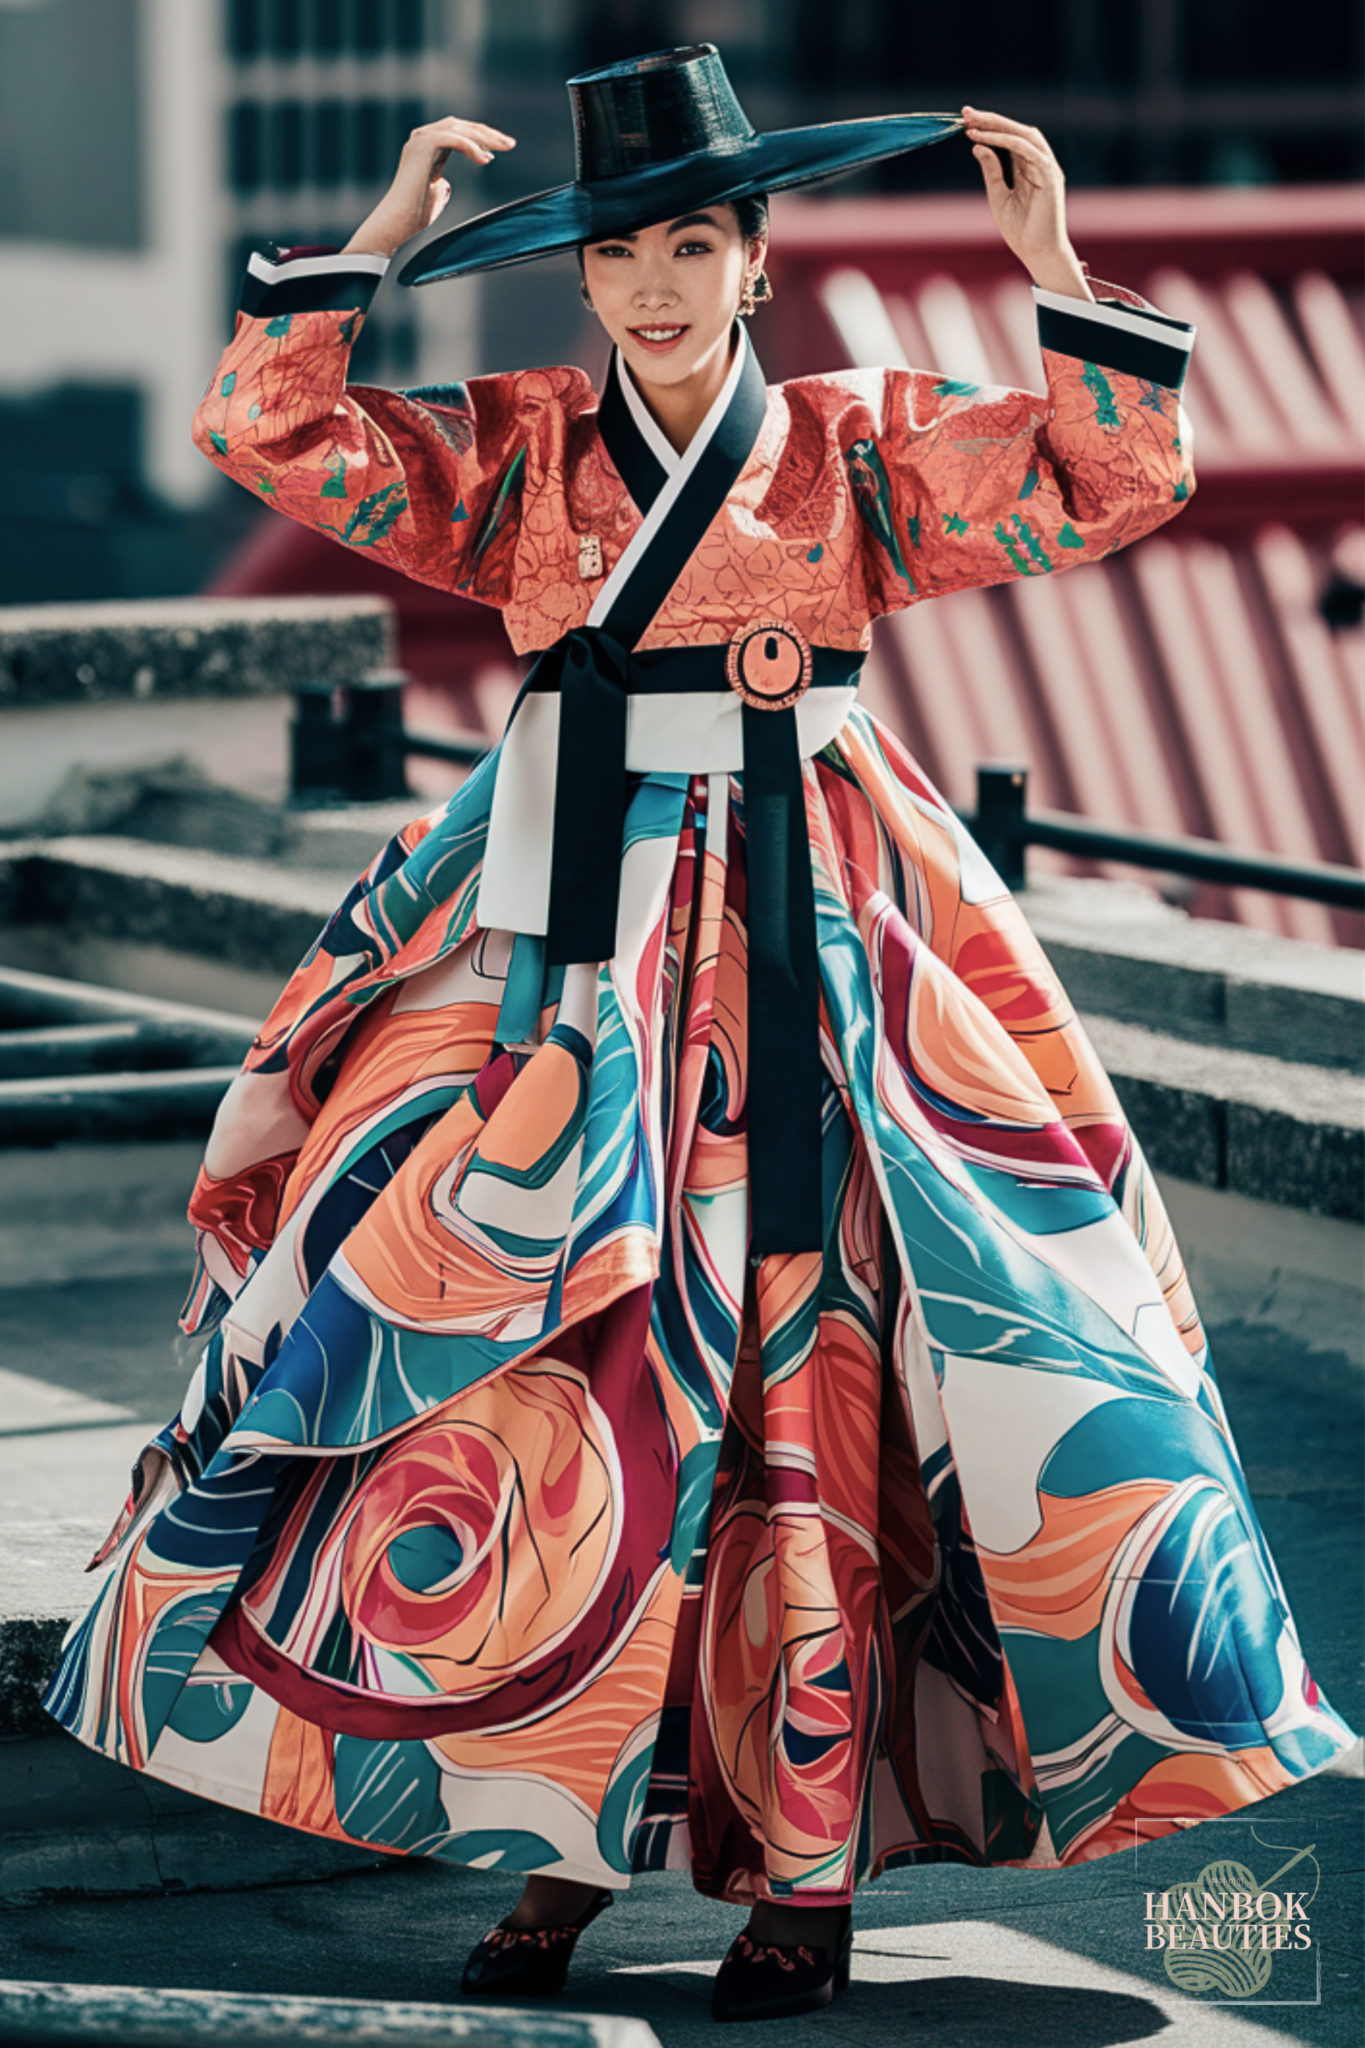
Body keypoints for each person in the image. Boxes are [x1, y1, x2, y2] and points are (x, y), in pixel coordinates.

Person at [45, 46, 1354, 2027]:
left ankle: (797, 1876)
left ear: (754, 261)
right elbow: (277, 430)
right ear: (581, 282)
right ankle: (558, 1842)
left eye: (694, 241)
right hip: (563, 947)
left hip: (807, 918)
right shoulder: (513, 451)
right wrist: (375, 245)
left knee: (805, 1370)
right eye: (620, 252)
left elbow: (1107, 477)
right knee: (538, 1377)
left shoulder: (847, 444)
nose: (655, 282)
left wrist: (1055, 261)